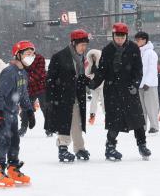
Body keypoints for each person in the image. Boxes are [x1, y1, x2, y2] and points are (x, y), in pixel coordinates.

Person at [88, 22, 151, 161]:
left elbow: (138, 70)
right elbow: (102, 71)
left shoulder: (134, 48)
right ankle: (110, 147)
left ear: (126, 36)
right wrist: (93, 83)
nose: (120, 39)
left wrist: (135, 84)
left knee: (137, 119)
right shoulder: (107, 50)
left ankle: (142, 145)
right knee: (114, 121)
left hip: (129, 90)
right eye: (117, 37)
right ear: (113, 36)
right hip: (112, 90)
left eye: (122, 37)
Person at [0, 40, 35, 187]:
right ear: (18, 55)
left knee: (15, 142)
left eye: (32, 54)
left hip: (12, 113)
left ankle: (13, 168)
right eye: (27, 54)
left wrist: (29, 111)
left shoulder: (23, 73)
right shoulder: (10, 72)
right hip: (1, 112)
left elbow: (23, 95)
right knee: (4, 142)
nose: (30, 57)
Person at [46, 29, 91, 162]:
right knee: (64, 121)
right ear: (73, 43)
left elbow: (79, 77)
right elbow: (50, 79)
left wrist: (90, 82)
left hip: (76, 95)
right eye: (82, 45)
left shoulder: (80, 58)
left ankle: (79, 148)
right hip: (62, 96)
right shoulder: (59, 56)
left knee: (77, 122)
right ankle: (63, 147)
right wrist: (50, 99)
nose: (84, 48)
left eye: (85, 45)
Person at [135, 31, 159, 134]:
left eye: (138, 40)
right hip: (139, 85)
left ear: (144, 40)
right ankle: (142, 126)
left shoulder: (151, 53)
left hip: (149, 85)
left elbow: (152, 69)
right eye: (136, 40)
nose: (137, 42)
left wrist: (147, 83)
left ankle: (154, 126)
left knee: (151, 107)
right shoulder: (137, 52)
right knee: (141, 108)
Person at [20, 49, 48, 137]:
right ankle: (23, 128)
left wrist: (26, 78)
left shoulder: (39, 58)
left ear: (33, 50)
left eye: (30, 50)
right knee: (25, 108)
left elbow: (39, 73)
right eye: (26, 51)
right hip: (29, 89)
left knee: (45, 107)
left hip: (41, 86)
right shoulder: (20, 60)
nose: (28, 52)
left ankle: (49, 128)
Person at [85, 49, 104, 125]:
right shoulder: (90, 65)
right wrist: (90, 77)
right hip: (94, 86)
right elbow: (87, 74)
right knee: (94, 101)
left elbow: (103, 75)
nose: (93, 58)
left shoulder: (102, 64)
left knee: (104, 101)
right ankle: (92, 116)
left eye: (94, 56)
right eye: (92, 56)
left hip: (102, 85)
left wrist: (94, 76)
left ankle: (108, 116)